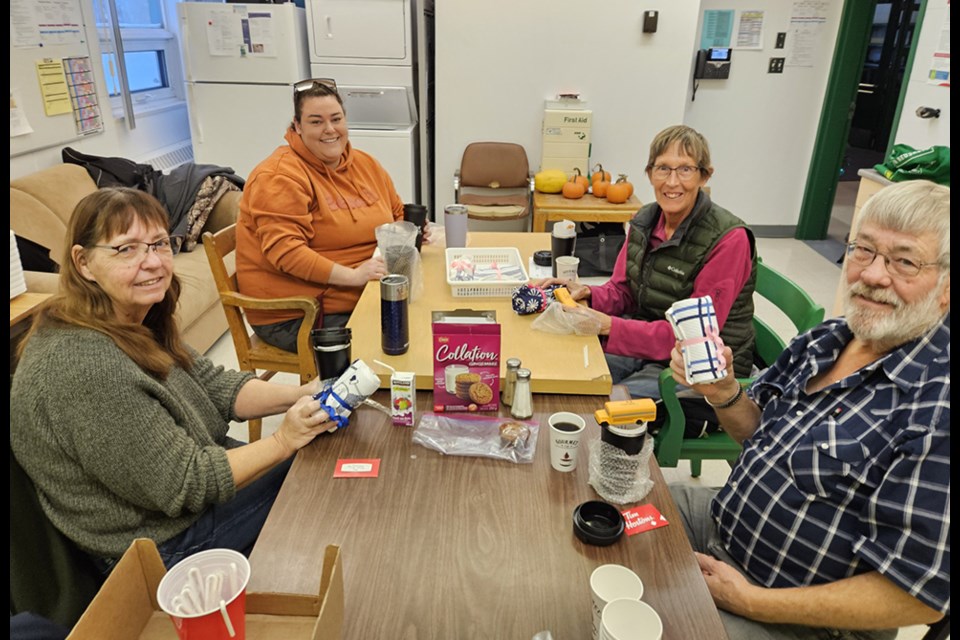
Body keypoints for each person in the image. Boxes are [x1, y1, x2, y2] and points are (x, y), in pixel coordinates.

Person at [667, 179, 949, 640]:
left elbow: (915, 594)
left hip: (800, 620)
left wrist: (749, 600)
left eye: (904, 261)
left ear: (945, 287)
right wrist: (723, 392)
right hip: (721, 525)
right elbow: (759, 434)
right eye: (864, 250)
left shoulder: (936, 404)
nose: (874, 275)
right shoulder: (828, 340)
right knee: (617, 510)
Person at [10, 188, 334, 572]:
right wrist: (284, 439)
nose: (152, 262)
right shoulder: (87, 365)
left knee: (323, 454)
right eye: (126, 249)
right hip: (160, 545)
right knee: (320, 474)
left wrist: (302, 394)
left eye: (159, 244)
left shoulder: (131, 317)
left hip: (187, 490)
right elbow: (188, 482)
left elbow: (215, 385)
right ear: (83, 263)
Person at [535, 124, 757, 399]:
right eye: (663, 168)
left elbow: (694, 337)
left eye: (685, 169)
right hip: (650, 340)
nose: (672, 182)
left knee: (608, 402)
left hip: (702, 366)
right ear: (650, 174)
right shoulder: (645, 219)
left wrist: (608, 325)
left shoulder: (729, 239)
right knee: (568, 372)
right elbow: (624, 291)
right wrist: (588, 293)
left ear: (704, 176)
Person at [236, 77, 427, 353]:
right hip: (300, 315)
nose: (329, 130)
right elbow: (286, 252)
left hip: (362, 292)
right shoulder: (278, 177)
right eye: (316, 122)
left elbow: (396, 214)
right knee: (407, 337)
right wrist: (354, 276)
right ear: (297, 127)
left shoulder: (364, 163)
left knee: (429, 313)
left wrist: (413, 231)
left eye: (336, 119)